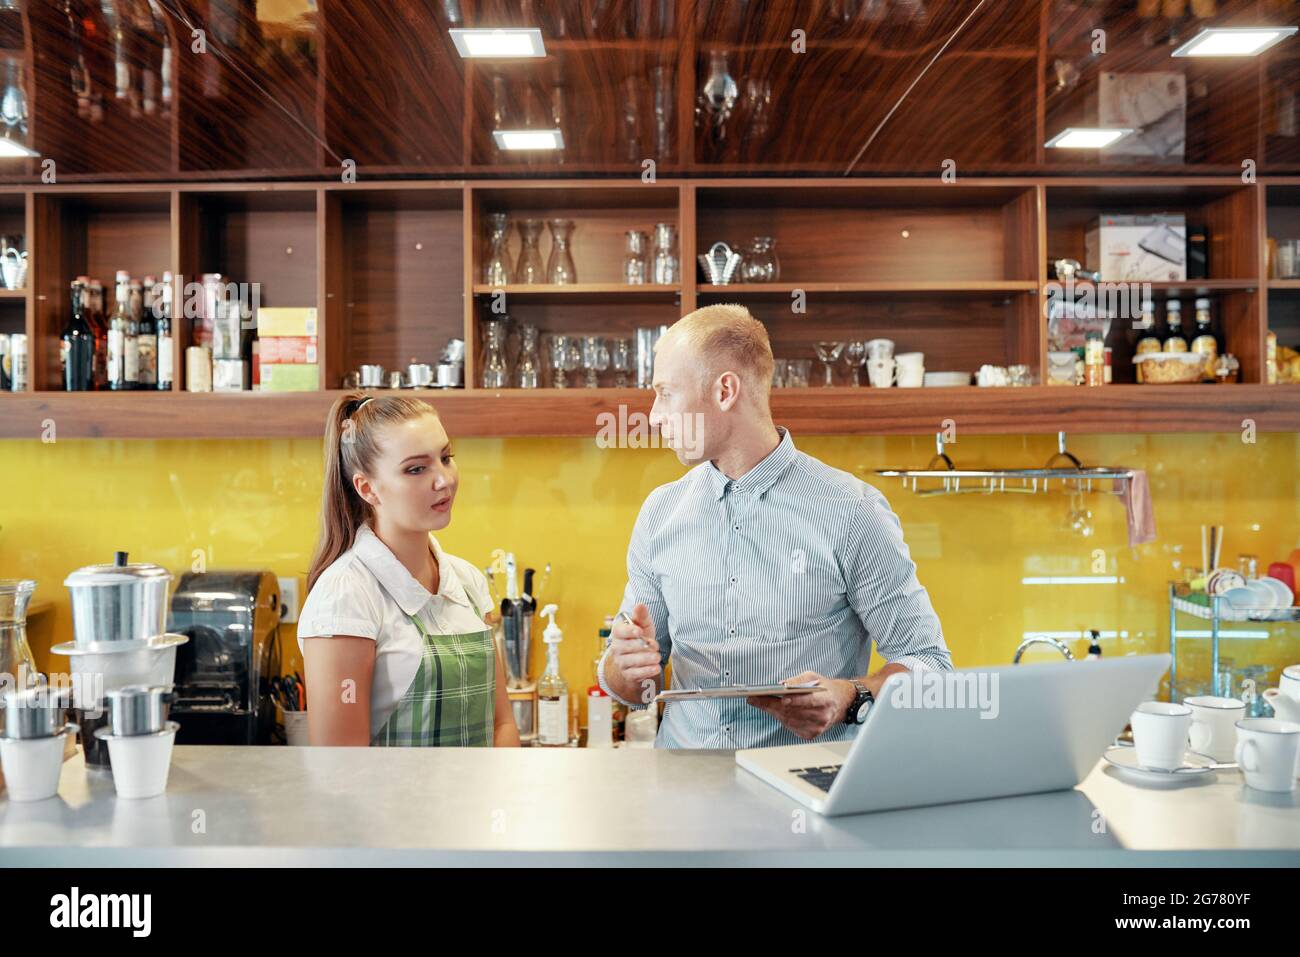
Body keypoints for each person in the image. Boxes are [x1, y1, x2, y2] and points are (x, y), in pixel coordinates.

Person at [599, 304, 952, 748]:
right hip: (683, 795)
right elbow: (629, 688)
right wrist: (624, 664)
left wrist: (851, 696)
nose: (652, 416)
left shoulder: (851, 510)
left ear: (725, 390)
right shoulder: (660, 512)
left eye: (666, 393)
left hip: (805, 791)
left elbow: (929, 664)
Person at [297, 392, 519, 747]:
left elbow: (502, 724)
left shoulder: (468, 581)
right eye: (416, 468)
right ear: (367, 488)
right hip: (392, 805)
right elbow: (339, 769)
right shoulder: (345, 596)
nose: (443, 480)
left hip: (479, 802)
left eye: (446, 458)